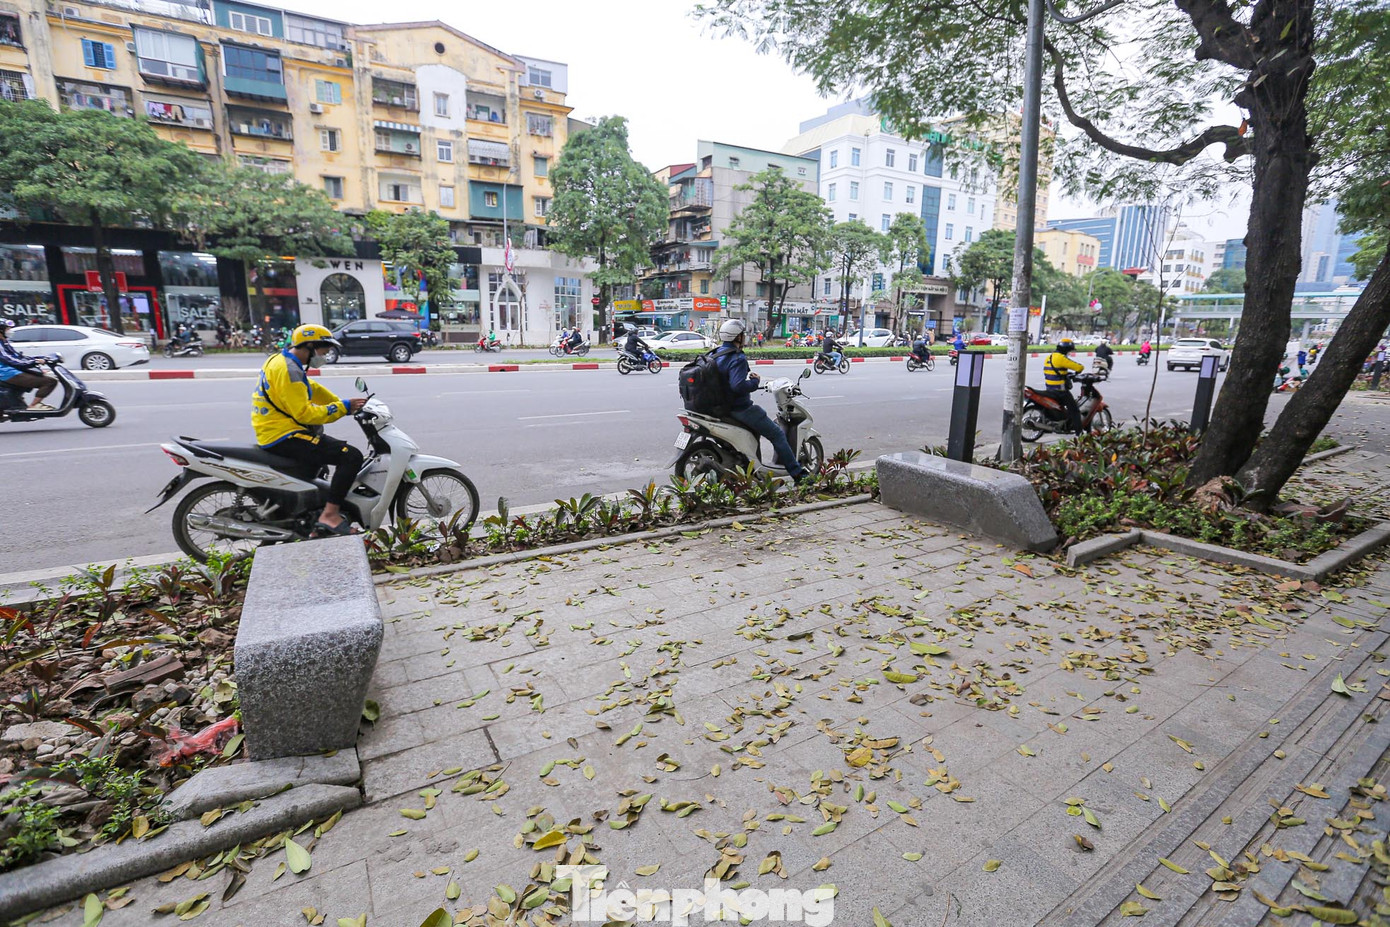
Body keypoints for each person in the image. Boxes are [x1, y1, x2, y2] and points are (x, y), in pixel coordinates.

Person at [252, 324, 368, 537]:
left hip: (274, 430)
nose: (325, 355)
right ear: (311, 346)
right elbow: (305, 414)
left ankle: (312, 523)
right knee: (350, 456)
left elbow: (310, 387)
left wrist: (341, 402)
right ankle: (330, 516)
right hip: (285, 435)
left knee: (320, 462)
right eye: (324, 350)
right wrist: (342, 407)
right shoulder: (290, 370)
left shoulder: (281, 361)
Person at [712, 319, 809, 483]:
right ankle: (798, 474)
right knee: (777, 434)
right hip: (740, 408)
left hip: (719, 407)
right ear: (737, 337)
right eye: (743, 335)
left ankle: (753, 470)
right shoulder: (737, 358)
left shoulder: (715, 354)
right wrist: (755, 382)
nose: (745, 337)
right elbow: (737, 386)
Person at [0, 318, 59, 411]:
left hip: (12, 371)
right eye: (7, 329)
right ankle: (34, 405)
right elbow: (11, 360)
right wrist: (34, 362)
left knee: (41, 376)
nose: (9, 331)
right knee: (49, 382)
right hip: (6, 373)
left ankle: (20, 402)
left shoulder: (4, 342)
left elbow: (18, 357)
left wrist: (40, 358)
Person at [1043, 339, 1086, 433]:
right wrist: (1076, 372)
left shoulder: (1049, 357)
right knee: (1074, 410)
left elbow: (1057, 370)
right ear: (1066, 349)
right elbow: (1079, 367)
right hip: (1060, 392)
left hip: (1049, 389)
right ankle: (1080, 434)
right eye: (1069, 351)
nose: (1069, 353)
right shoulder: (1061, 358)